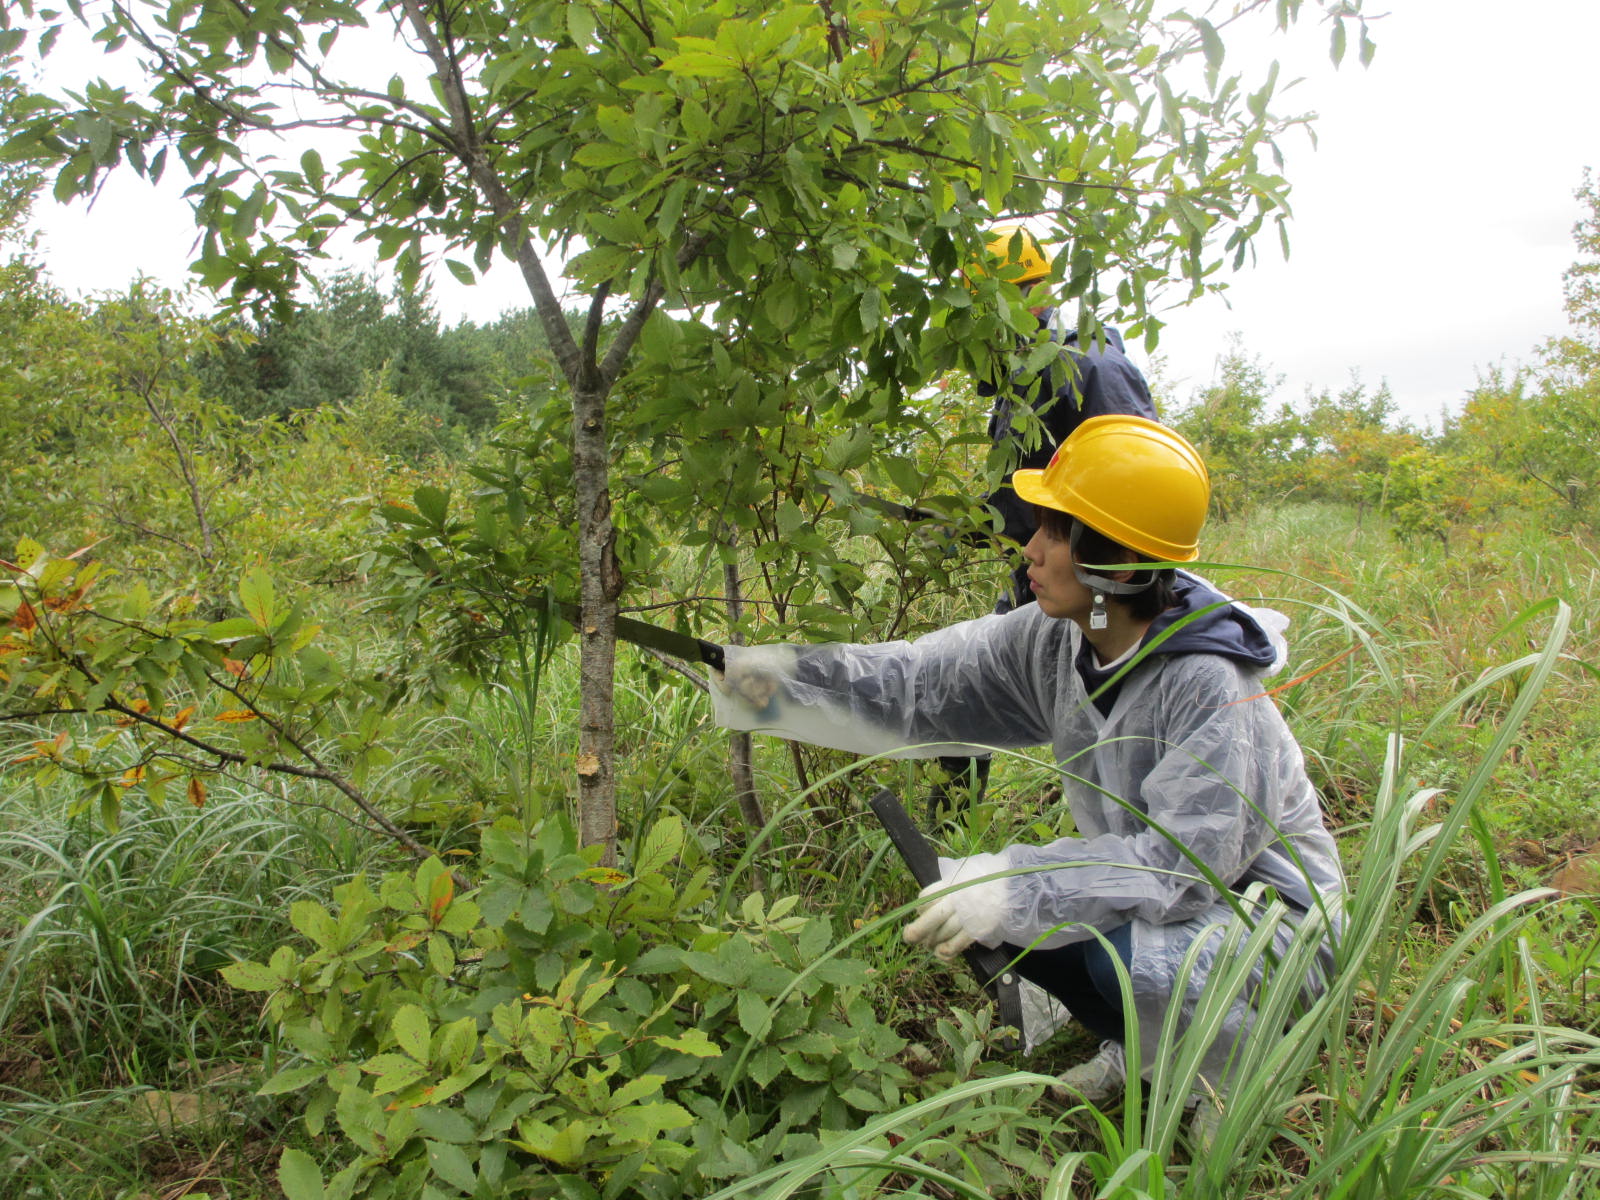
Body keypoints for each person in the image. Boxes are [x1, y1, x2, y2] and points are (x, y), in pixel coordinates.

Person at [709, 415, 1345, 1116]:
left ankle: (1235, 1081)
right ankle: (1142, 1047)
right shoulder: (1059, 635)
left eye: (1056, 533)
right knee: (1015, 914)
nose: (1031, 549)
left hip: (1267, 928)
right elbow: (921, 681)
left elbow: (1186, 869)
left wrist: (1018, 888)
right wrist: (760, 680)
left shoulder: (1209, 683)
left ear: (1116, 563)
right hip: (1161, 897)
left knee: (1077, 932)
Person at [931, 225, 1159, 810]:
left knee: (1114, 721)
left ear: (1005, 300)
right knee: (969, 688)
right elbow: (1028, 492)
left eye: (971, 308)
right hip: (1047, 579)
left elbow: (1136, 486)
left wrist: (1107, 594)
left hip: (1097, 589)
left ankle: (1124, 841)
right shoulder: (1022, 374)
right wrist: (968, 527)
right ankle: (954, 824)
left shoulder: (1089, 365)